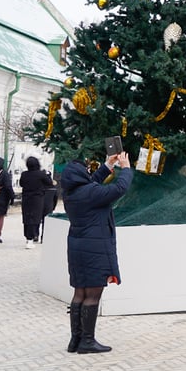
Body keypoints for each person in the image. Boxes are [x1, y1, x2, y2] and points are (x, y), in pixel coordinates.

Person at [59, 150, 134, 354]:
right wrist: (125, 168)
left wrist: (107, 166)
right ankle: (87, 342)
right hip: (94, 248)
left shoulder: (71, 193)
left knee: (80, 293)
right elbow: (119, 188)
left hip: (77, 247)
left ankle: (75, 340)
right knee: (93, 294)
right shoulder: (90, 193)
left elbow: (91, 182)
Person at [18, 156, 54, 249]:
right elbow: (49, 183)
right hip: (37, 198)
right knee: (35, 217)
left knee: (26, 217)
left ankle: (27, 236)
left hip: (26, 198)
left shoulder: (24, 174)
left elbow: (21, 184)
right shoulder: (40, 174)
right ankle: (32, 237)